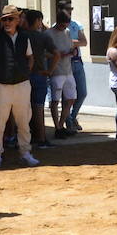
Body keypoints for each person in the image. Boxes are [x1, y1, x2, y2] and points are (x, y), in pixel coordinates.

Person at [0, 5, 39, 168]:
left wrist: (25, 73)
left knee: (24, 121)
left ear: (17, 20)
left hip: (22, 84)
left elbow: (30, 58)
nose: (7, 22)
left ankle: (26, 152)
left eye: (10, 19)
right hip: (2, 86)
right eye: (4, 19)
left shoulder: (24, 37)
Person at [22, 9, 54, 149]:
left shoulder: (22, 36)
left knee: (23, 109)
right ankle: (41, 138)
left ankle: (24, 138)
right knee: (38, 107)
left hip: (25, 75)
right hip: (40, 74)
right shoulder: (43, 37)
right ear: (37, 21)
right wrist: (49, 71)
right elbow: (57, 54)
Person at [47, 9, 79, 139]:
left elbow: (71, 46)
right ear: (58, 22)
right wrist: (56, 56)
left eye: (66, 25)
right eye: (62, 25)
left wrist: (72, 52)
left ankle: (61, 124)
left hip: (68, 69)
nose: (64, 27)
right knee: (55, 100)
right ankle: (57, 127)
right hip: (56, 71)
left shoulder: (67, 32)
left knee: (71, 98)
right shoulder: (48, 34)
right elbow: (43, 52)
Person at [62, 2, 89, 133]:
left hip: (77, 62)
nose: (70, 11)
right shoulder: (57, 27)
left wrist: (69, 42)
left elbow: (84, 42)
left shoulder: (76, 24)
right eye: (67, 9)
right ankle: (68, 121)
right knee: (67, 95)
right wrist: (73, 43)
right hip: (65, 62)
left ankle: (72, 117)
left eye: (71, 9)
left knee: (82, 93)